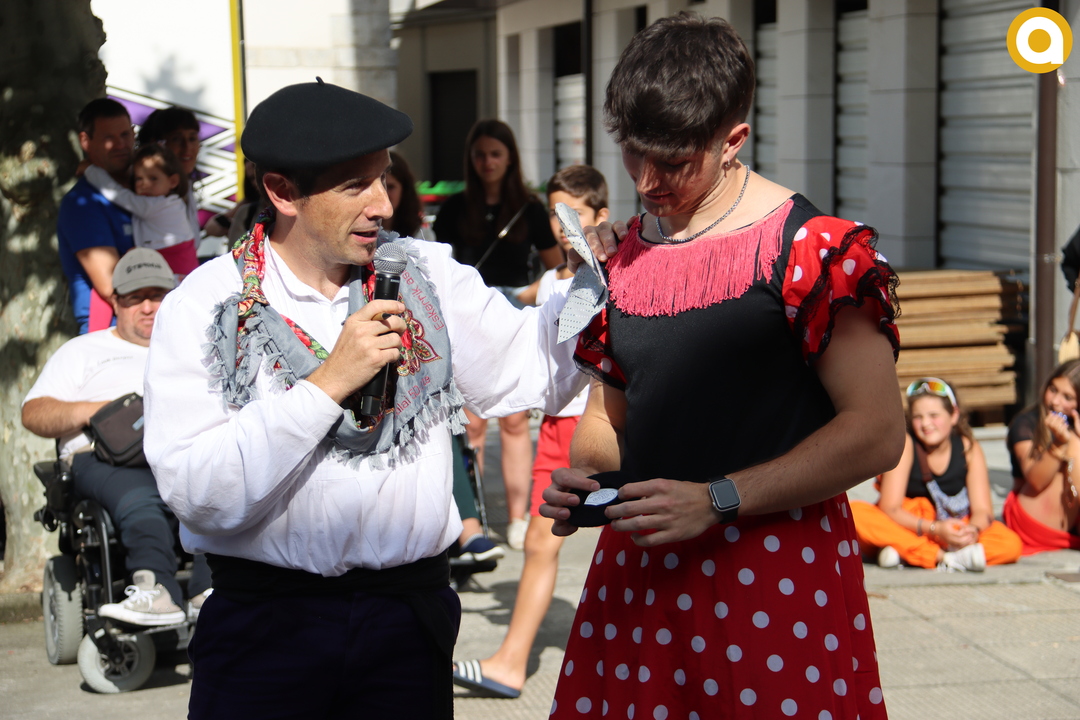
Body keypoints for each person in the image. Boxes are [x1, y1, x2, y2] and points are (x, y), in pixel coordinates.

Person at [141, 80, 587, 719]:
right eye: (356, 186)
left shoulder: (426, 276)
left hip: (405, 626)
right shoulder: (203, 306)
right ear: (282, 191)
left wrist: (610, 283)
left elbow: (535, 363)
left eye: (383, 178)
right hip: (264, 632)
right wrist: (328, 385)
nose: (383, 203)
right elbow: (199, 493)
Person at [539, 14, 905, 719]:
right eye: (633, 153)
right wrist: (588, 482)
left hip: (773, 576)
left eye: (674, 162)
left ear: (732, 140)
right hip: (644, 574)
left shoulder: (812, 249)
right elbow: (608, 416)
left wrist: (718, 499)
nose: (648, 180)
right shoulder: (623, 253)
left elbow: (877, 432)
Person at [453, 164, 608, 698]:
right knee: (543, 542)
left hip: (599, 425)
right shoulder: (549, 283)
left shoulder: (613, 273)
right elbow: (504, 309)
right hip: (556, 430)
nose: (564, 228)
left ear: (601, 216)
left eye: (576, 216)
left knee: (615, 536)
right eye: (557, 216)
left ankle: (515, 662)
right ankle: (511, 662)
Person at [22, 248, 211, 624]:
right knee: (141, 501)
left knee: (213, 492)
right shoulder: (83, 351)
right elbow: (33, 413)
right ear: (115, 302)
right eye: (135, 298)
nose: (147, 307)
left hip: (178, 450)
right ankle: (155, 589)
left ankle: (210, 592)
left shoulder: (196, 349)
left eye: (156, 296)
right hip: (103, 456)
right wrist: (101, 412)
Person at [434, 119, 563, 549]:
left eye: (495, 153)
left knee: (513, 420)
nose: (487, 162)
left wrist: (526, 292)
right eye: (479, 154)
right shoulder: (455, 208)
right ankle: (474, 518)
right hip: (467, 317)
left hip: (513, 312)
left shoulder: (529, 207)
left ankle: (518, 517)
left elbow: (557, 265)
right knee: (470, 422)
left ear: (510, 158)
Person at [852, 378, 1021, 571]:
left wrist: (971, 532)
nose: (926, 424)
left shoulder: (968, 447)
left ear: (954, 415)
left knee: (1011, 544)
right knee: (856, 514)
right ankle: (944, 557)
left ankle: (906, 552)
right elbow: (890, 508)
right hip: (913, 526)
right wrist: (935, 529)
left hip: (955, 527)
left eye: (934, 415)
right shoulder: (906, 445)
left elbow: (983, 511)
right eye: (918, 417)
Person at [57, 98, 135, 334]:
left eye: (125, 134)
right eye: (109, 138)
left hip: (154, 326)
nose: (120, 144)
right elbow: (112, 285)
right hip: (111, 334)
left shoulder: (145, 190)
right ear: (85, 141)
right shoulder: (82, 203)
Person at [84, 144, 199, 278]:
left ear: (173, 181)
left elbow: (118, 195)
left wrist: (90, 170)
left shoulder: (157, 205)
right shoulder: (173, 203)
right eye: (138, 178)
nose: (144, 184)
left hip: (175, 266)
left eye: (153, 178)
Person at [1004, 361, 1080, 554]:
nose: (1055, 401)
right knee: (1075, 444)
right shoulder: (1025, 422)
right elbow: (1036, 480)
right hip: (1028, 516)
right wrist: (1059, 444)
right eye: (1053, 390)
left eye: (1067, 397)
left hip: (1069, 518)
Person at [137, 105, 203, 241]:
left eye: (192, 138)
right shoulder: (146, 192)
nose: (187, 147)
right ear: (158, 145)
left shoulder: (187, 186)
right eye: (176, 139)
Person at [386, 151, 425, 239]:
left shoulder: (422, 235)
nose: (384, 194)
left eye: (390, 187)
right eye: (381, 186)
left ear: (404, 189)